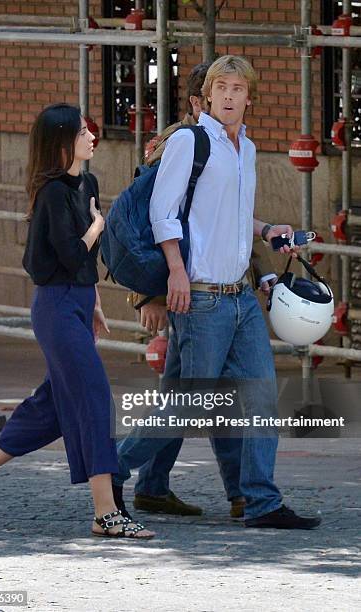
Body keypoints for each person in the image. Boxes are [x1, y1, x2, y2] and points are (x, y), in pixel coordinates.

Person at [114, 56, 321, 530]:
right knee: (188, 404)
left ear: (250, 97)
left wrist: (267, 229)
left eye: (237, 89)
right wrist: (175, 273)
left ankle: (261, 502)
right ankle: (109, 472)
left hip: (241, 298)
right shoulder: (189, 142)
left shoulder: (245, 149)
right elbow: (163, 214)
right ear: (207, 96)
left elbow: (229, 216)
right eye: (220, 88)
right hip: (201, 297)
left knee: (262, 397)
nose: (229, 96)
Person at [0, 104, 153, 539]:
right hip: (55, 309)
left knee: (50, 410)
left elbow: (84, 264)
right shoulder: (54, 192)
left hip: (76, 304)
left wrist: (93, 299)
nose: (92, 136)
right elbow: (73, 252)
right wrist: (97, 226)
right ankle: (105, 512)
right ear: (62, 143)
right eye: (82, 132)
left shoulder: (87, 182)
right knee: (94, 398)